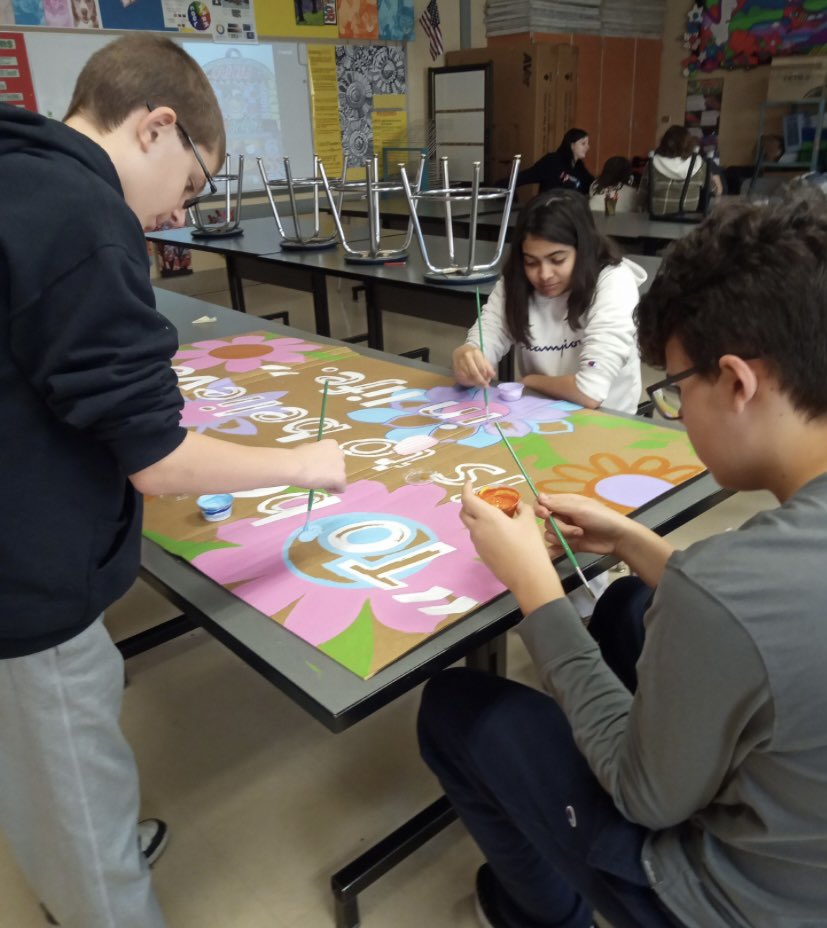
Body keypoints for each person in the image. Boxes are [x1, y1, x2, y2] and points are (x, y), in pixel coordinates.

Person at [0, 34, 346, 928]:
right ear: (158, 126)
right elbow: (159, 462)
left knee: (45, 764)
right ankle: (99, 892)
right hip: (26, 573)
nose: (176, 212)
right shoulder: (81, 214)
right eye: (192, 184)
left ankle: (82, 852)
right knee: (67, 759)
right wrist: (302, 463)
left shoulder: (22, 169)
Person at [418, 190, 827, 928]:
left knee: (453, 709)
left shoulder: (730, 580)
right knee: (623, 605)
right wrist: (638, 543)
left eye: (675, 392)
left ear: (735, 382)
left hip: (725, 901)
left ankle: (548, 915)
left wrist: (535, 590)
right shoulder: (749, 577)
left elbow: (645, 797)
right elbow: (770, 624)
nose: (673, 411)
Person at [452, 189, 645, 416]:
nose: (544, 275)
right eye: (531, 262)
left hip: (606, 421)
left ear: (583, 249)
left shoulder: (614, 281)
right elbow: (482, 344)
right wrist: (465, 359)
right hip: (538, 416)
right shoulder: (516, 282)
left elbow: (590, 392)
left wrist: (531, 381)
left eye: (557, 260)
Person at [640, 124, 722, 217]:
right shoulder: (700, 165)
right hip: (686, 221)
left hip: (655, 220)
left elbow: (641, 197)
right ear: (689, 144)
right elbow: (716, 191)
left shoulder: (652, 163)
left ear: (664, 143)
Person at [513, 128, 595, 196]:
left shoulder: (579, 166)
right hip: (551, 210)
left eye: (588, 144)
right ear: (572, 145)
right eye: (583, 144)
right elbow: (527, 176)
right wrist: (504, 187)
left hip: (570, 210)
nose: (588, 147)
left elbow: (591, 185)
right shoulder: (552, 161)